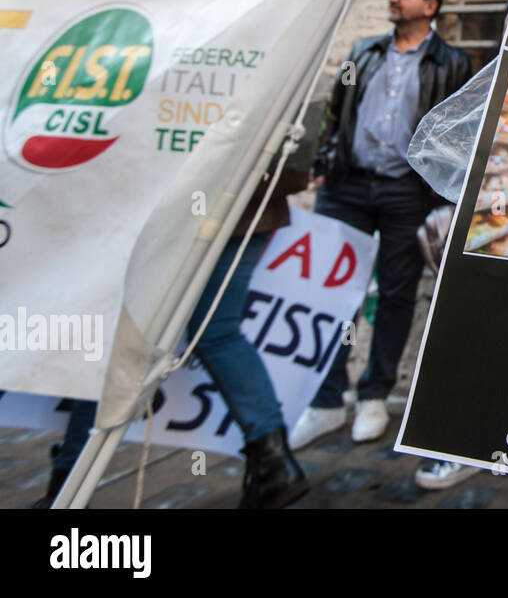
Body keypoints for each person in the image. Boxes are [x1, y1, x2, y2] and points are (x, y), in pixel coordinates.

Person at [32, 152, 313, 509]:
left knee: (117, 339)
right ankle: (274, 463)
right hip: (243, 205)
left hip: (171, 208)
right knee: (218, 333)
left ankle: (67, 483)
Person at [291, 0, 474, 491]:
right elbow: (335, 112)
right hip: (346, 188)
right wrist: (326, 158)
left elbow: (455, 132)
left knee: (395, 294)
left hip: (405, 194)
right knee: (328, 292)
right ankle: (327, 400)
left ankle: (373, 396)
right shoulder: (363, 52)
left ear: (430, 7)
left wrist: (443, 195)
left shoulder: (453, 63)